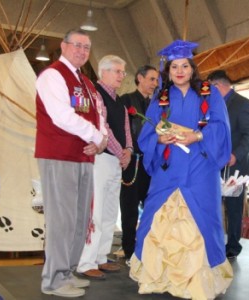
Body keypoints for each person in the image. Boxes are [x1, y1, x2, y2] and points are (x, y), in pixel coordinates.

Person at [129, 40, 233, 299]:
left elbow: (221, 127)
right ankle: (160, 277)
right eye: (174, 66)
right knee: (157, 215)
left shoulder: (209, 93)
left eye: (184, 66)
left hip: (200, 165)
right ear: (168, 70)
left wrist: (197, 136)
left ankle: (197, 282)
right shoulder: (160, 97)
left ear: (192, 68)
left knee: (201, 218)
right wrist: (159, 138)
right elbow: (149, 130)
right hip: (169, 167)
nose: (179, 71)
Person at [35, 29, 108, 298]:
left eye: (87, 47)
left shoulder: (86, 83)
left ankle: (66, 272)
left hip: (84, 156)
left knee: (79, 219)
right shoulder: (53, 75)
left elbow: (99, 115)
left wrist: (100, 141)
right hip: (58, 155)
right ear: (63, 46)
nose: (81, 50)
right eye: (76, 45)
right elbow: (61, 115)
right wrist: (95, 136)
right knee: (61, 220)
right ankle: (52, 280)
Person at [77, 55, 133, 279]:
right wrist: (122, 152)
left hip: (115, 161)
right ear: (104, 72)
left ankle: (101, 256)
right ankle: (85, 261)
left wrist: (128, 149)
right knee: (96, 212)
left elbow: (126, 126)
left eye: (123, 72)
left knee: (110, 212)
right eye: (117, 71)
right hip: (99, 160)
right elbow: (103, 127)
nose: (121, 76)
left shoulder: (118, 100)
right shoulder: (95, 95)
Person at [207, 70, 249, 260]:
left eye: (209, 88)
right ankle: (214, 242)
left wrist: (236, 155)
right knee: (212, 205)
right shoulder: (211, 105)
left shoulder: (243, 103)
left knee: (234, 209)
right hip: (213, 166)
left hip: (235, 168)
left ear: (218, 85)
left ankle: (233, 247)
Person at [120, 65, 158, 264]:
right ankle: (128, 250)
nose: (155, 83)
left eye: (156, 80)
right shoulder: (126, 100)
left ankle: (148, 247)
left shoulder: (158, 104)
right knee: (130, 208)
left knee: (152, 207)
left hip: (152, 163)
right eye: (151, 79)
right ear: (139, 78)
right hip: (133, 162)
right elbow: (122, 130)